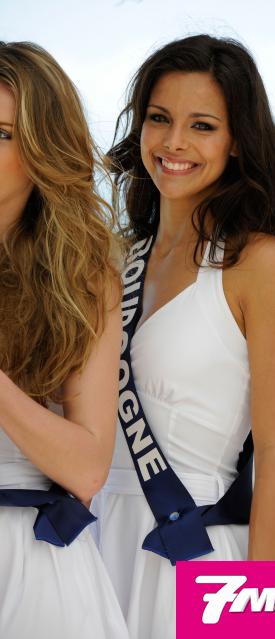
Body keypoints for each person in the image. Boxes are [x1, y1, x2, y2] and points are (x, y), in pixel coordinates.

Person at [91, 34, 275, 638]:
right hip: (92, 550)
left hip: (198, 558)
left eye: (202, 126)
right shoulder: (116, 259)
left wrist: (264, 610)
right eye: (159, 119)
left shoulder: (261, 263)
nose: (174, 143)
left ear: (238, 140)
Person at [0, 42, 129, 638]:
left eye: (2, 134)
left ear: (42, 152)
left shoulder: (84, 276)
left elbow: (87, 469)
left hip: (31, 562)